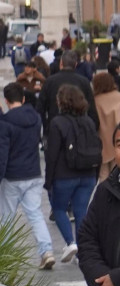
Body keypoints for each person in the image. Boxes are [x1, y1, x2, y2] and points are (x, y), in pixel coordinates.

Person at [0, 83, 56, 269]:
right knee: (35, 214)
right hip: (33, 172)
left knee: (7, 217)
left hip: (12, 175)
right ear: (24, 98)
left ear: (6, 100)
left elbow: (2, 155)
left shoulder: (4, 122)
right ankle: (47, 251)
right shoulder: (35, 118)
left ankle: (4, 255)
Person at [46, 85, 100, 263]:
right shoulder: (89, 122)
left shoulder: (57, 123)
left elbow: (52, 155)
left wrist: (48, 180)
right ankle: (82, 249)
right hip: (88, 173)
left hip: (64, 174)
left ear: (61, 101)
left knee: (59, 208)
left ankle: (70, 243)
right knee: (81, 211)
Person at [77, 122, 120, 286]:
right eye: (119, 144)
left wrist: (116, 281)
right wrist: (102, 280)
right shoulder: (105, 191)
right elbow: (87, 239)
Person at [39, 50, 99, 133]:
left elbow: (40, 107)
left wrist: (46, 126)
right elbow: (91, 108)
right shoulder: (84, 82)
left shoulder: (50, 81)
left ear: (61, 64)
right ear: (75, 65)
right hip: (79, 129)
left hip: (55, 127)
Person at [95, 72, 120, 181]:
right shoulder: (118, 96)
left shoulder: (95, 100)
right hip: (117, 142)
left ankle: (105, 197)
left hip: (102, 143)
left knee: (103, 176)